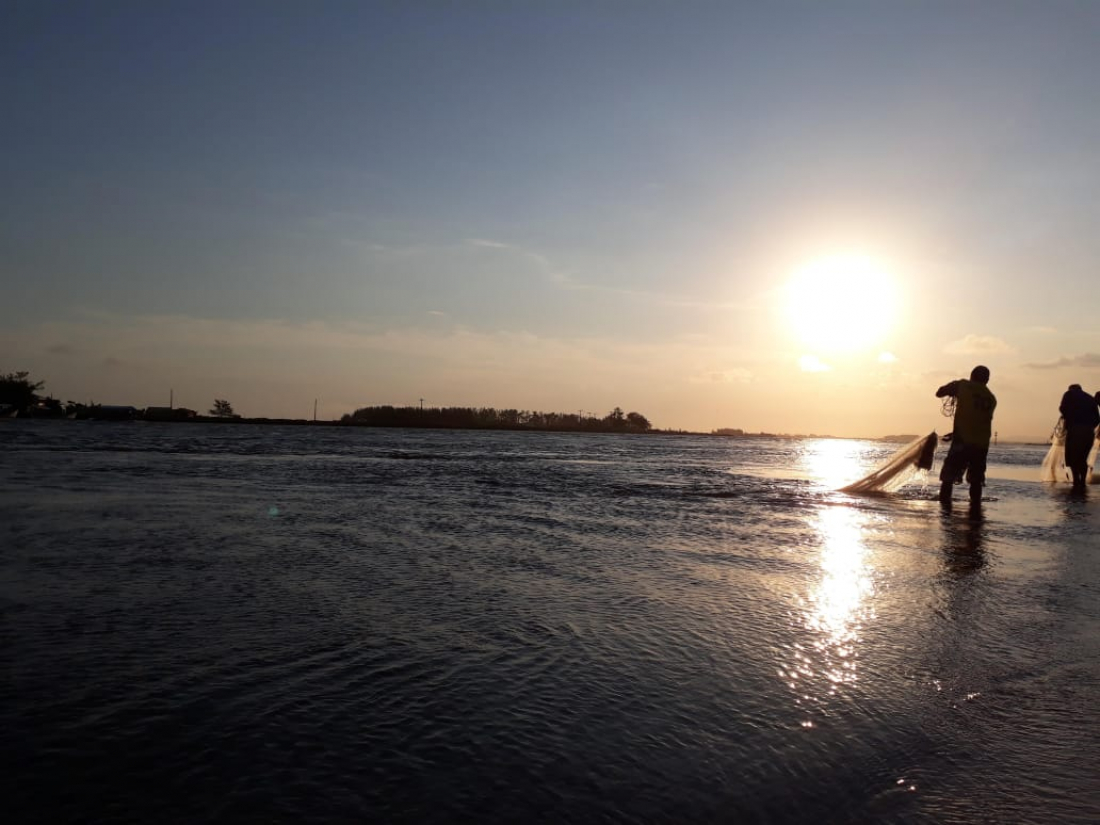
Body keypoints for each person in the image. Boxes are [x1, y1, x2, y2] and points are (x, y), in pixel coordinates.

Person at [936, 365, 997, 504]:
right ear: (987, 380)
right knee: (976, 481)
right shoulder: (991, 398)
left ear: (972, 376)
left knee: (948, 478)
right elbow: (976, 421)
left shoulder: (962, 386)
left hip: (962, 443)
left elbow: (939, 392)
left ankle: (945, 515)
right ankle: (975, 512)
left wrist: (954, 387)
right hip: (981, 446)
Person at [1058, 384, 1100, 488]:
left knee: (1073, 457)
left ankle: (1076, 480)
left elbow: (1062, 408)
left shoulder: (1068, 394)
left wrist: (1069, 418)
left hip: (1074, 430)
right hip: (1089, 433)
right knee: (1082, 458)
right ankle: (1082, 481)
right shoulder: (1090, 398)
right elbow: (1096, 419)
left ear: (1071, 389)